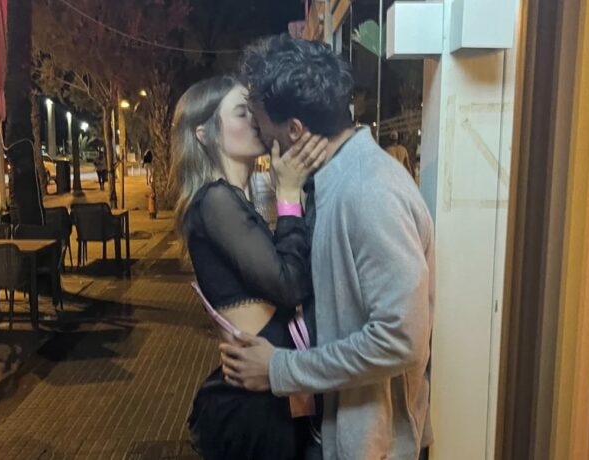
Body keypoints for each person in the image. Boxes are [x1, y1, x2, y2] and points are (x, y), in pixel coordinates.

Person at [220, 35, 435, 460]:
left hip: (372, 447)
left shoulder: (369, 191)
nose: (260, 137)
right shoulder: (335, 182)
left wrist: (279, 369)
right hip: (340, 434)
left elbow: (401, 338)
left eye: (261, 126)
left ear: (294, 130)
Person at [171, 75, 328, 460]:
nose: (255, 119)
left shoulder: (230, 201)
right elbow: (289, 285)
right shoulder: (215, 201)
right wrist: (288, 196)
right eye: (242, 112)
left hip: (267, 393)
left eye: (253, 110)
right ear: (204, 134)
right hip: (255, 410)